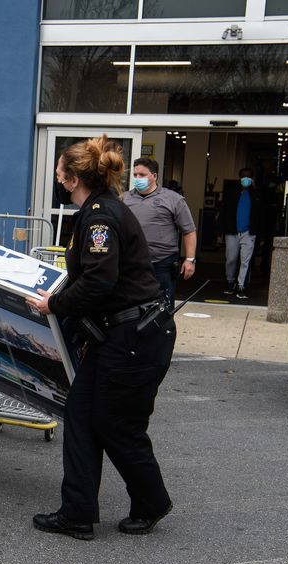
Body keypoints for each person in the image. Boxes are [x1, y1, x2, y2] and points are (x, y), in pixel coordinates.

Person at [26, 135, 175, 541]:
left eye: (59, 171)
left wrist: (53, 305)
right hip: (123, 334)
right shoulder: (98, 210)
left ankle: (151, 501)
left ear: (73, 178)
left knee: (116, 424)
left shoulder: (99, 217)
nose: (56, 177)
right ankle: (77, 513)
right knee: (80, 414)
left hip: (134, 337)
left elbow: (99, 283)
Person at [124, 157, 197, 307]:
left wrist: (190, 260)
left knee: (162, 309)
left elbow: (189, 230)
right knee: (131, 308)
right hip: (131, 264)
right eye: (135, 175)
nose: (138, 178)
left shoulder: (173, 199)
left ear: (154, 176)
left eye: (142, 175)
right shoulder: (124, 199)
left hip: (161, 264)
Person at [220, 167, 264, 300]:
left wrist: (261, 235)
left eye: (249, 176)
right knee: (231, 259)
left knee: (245, 261)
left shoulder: (256, 195)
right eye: (244, 176)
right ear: (239, 178)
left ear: (252, 178)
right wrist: (219, 231)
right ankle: (230, 281)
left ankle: (241, 287)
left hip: (249, 232)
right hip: (232, 232)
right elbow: (224, 212)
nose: (246, 179)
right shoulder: (231, 193)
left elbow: (262, 217)